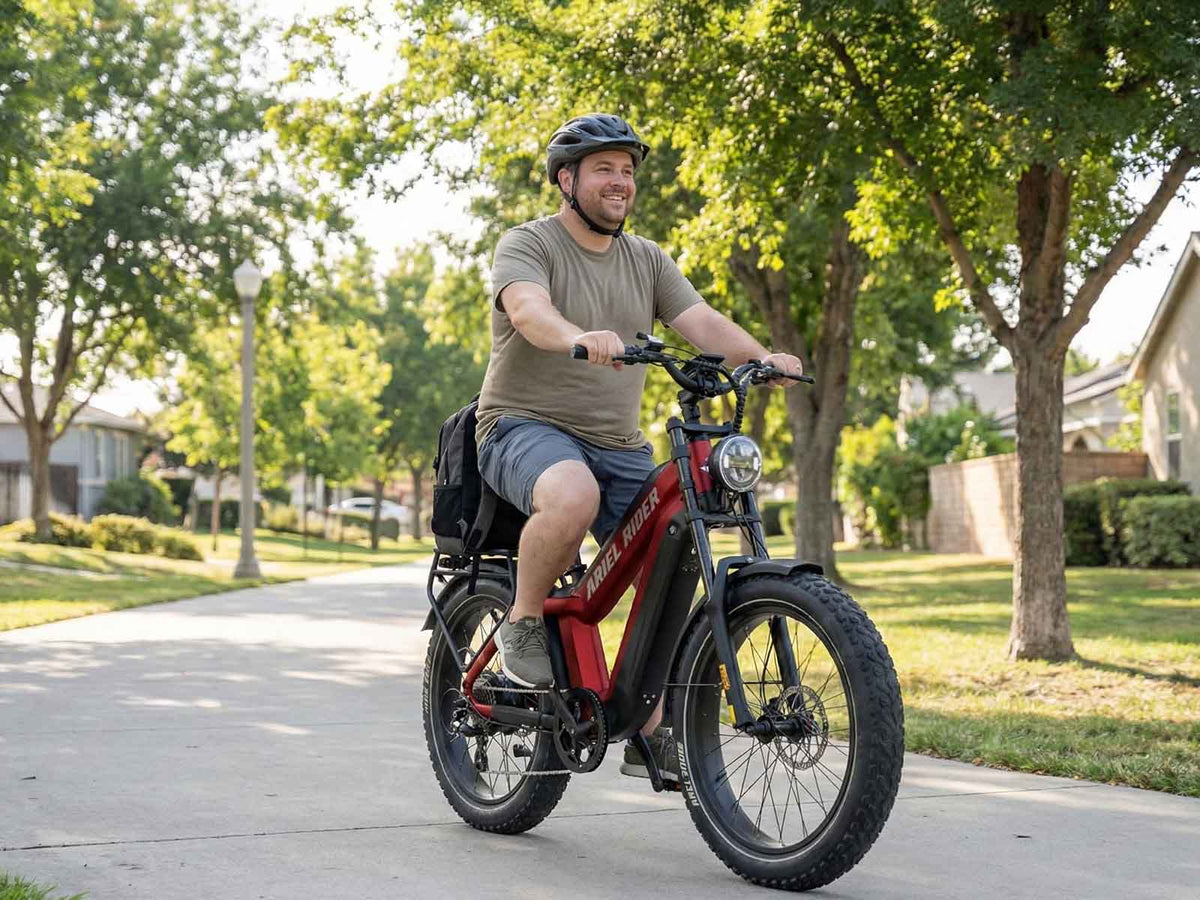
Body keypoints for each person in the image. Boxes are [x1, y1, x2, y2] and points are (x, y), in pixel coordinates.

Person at [476, 113, 803, 783]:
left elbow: (700, 322)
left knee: (681, 544)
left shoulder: (647, 259)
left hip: (618, 442)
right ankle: (524, 622)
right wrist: (580, 334)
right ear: (566, 180)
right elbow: (529, 311)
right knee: (573, 495)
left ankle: (647, 721)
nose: (620, 181)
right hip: (520, 425)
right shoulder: (528, 243)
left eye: (627, 170)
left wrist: (761, 356)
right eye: (604, 169)